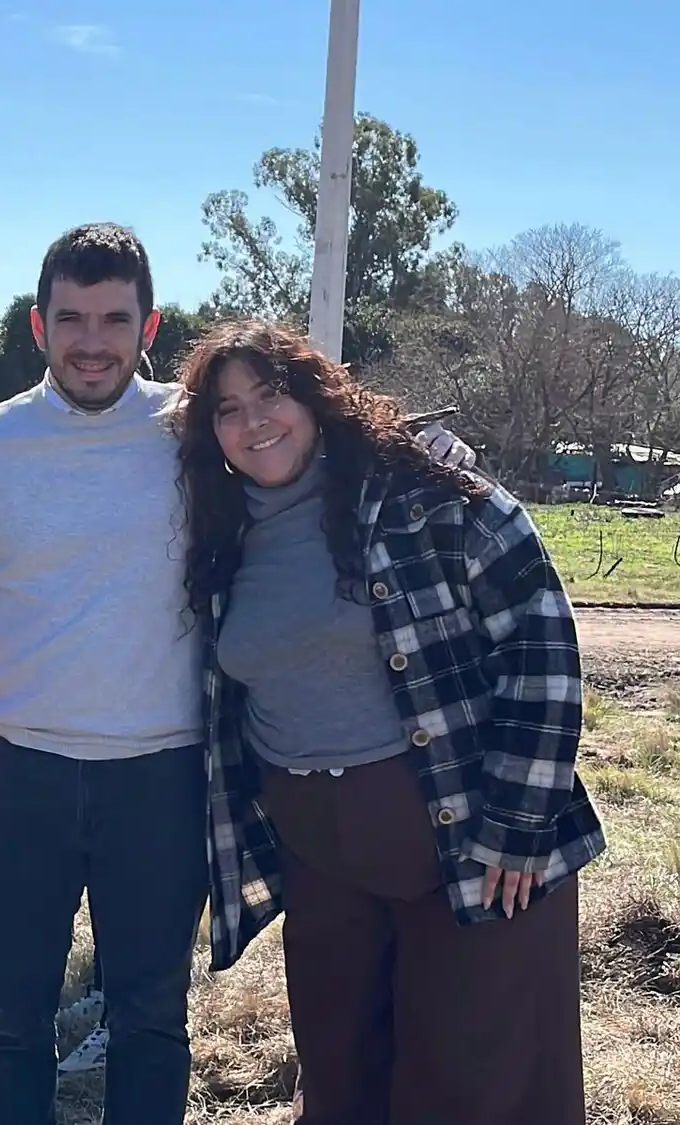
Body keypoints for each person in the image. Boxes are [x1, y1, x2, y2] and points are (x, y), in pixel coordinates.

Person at [0, 223, 476, 1125]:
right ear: (38, 325)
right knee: (11, 1020)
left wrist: (423, 456)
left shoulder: (196, 433)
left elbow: (315, 453)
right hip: (17, 771)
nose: (93, 341)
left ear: (149, 325)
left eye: (114, 319)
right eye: (72, 318)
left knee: (152, 1019)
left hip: (164, 778)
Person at [175, 319, 604, 1125]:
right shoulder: (217, 529)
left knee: (477, 1081)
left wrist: (518, 823)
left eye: (273, 393)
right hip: (320, 851)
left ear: (315, 394)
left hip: (466, 832)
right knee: (343, 1076)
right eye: (228, 408)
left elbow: (542, 637)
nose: (255, 420)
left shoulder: (427, 492)